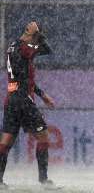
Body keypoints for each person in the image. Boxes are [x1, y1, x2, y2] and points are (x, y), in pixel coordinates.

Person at [1, 21, 58, 189]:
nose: (35, 44)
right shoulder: (23, 49)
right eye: (34, 37)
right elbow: (47, 49)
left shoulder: (14, 47)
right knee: (43, 135)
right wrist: (38, 35)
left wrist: (42, 95)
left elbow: (23, 78)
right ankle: (44, 180)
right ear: (28, 35)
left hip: (11, 98)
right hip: (23, 99)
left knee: (6, 140)